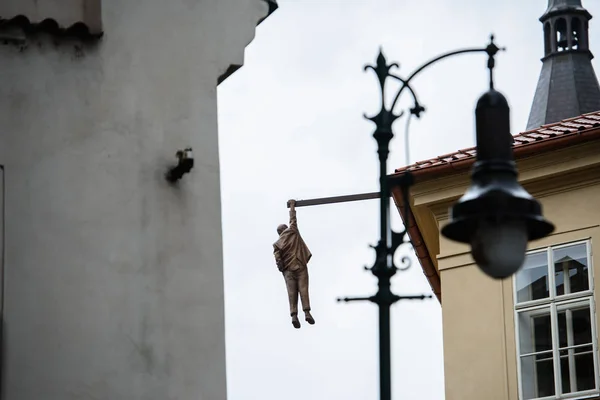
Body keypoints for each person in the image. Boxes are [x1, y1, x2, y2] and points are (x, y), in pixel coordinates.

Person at [273, 199, 315, 329]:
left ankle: (294, 315)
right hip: (300, 264)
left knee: (291, 293)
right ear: (286, 229)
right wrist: (292, 206)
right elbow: (293, 219)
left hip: (288, 270)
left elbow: (277, 259)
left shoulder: (277, 244)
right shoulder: (293, 231)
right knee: (303, 289)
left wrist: (282, 268)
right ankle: (307, 312)